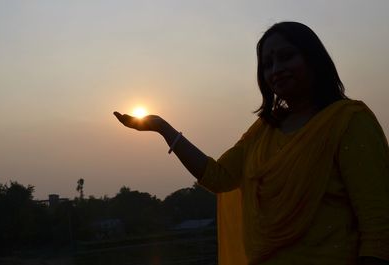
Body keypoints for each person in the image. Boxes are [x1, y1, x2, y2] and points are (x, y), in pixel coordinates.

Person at [114, 21, 389, 265]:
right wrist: (163, 127)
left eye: (286, 56)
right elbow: (218, 177)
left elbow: (378, 223)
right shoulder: (263, 130)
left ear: (313, 59)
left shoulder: (349, 121)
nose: (276, 69)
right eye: (268, 64)